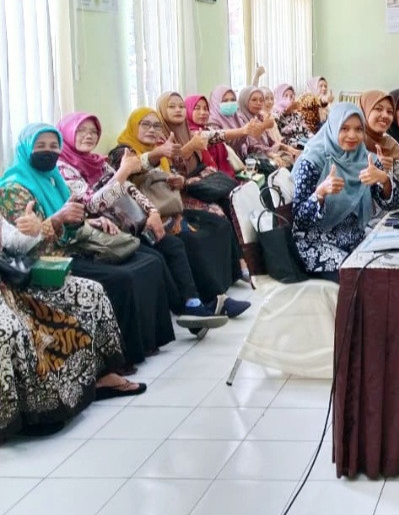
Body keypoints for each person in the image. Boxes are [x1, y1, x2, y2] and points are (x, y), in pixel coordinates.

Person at [0, 124, 174, 366]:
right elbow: (22, 244)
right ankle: (124, 357)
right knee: (122, 278)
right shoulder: (13, 189)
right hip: (46, 260)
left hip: (72, 244)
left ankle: (148, 341)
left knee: (148, 262)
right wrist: (58, 220)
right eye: (40, 146)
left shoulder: (53, 179)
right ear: (25, 149)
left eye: (53, 146)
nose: (48, 151)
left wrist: (88, 221)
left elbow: (75, 215)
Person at [55, 112, 226, 331]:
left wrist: (152, 211)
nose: (89, 136)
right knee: (156, 256)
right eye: (81, 131)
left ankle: (193, 304)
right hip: (102, 234)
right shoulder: (64, 168)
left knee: (172, 244)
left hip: (129, 224)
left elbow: (129, 188)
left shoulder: (97, 162)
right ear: (67, 133)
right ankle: (188, 310)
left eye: (93, 131)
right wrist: (123, 172)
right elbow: (93, 206)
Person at [1, 214, 145, 437]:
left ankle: (100, 376)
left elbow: (13, 243)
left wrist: (34, 230)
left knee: (90, 292)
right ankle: (24, 414)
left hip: (13, 280)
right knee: (10, 328)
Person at [116, 107, 249, 314]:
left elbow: (170, 173)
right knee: (191, 240)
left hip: (171, 208)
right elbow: (132, 170)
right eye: (145, 124)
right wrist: (157, 154)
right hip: (146, 218)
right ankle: (214, 299)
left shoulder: (159, 149)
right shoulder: (124, 151)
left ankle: (229, 279)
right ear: (134, 125)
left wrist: (177, 179)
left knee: (217, 223)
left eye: (156, 125)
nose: (152, 129)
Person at [291, 103, 399, 276]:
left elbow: (394, 204)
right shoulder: (312, 162)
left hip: (355, 239)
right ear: (333, 127)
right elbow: (299, 220)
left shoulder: (367, 160)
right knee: (359, 276)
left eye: (358, 129)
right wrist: (320, 193)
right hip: (318, 243)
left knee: (391, 266)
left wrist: (384, 180)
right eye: (344, 128)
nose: (352, 135)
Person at [271, 84, 311, 149]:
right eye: (286, 96)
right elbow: (274, 124)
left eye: (291, 96)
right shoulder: (275, 113)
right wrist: (286, 111)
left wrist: (313, 138)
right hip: (290, 144)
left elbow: (306, 130)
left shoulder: (297, 115)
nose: (289, 99)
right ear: (279, 97)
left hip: (303, 141)